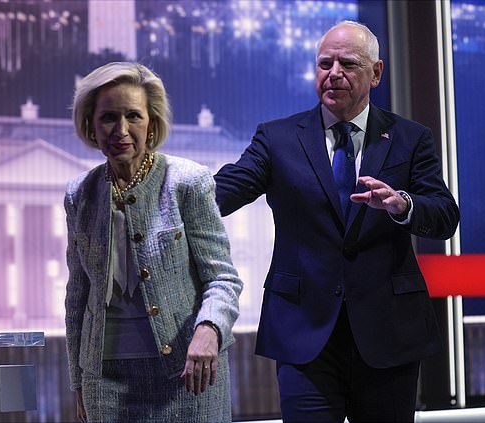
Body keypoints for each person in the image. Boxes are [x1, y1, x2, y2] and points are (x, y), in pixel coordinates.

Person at [214, 21, 460, 422]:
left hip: (388, 333)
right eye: (324, 63)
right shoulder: (277, 139)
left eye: (347, 63)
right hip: (304, 333)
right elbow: (222, 193)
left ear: (376, 73)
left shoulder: (409, 138)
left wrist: (402, 204)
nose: (333, 73)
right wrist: (161, 184)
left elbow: (445, 216)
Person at [64, 62, 242, 423]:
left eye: (134, 116)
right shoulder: (78, 194)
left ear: (152, 123)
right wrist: (79, 382)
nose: (122, 130)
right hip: (106, 383)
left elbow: (223, 279)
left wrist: (209, 329)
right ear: (91, 127)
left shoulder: (187, 182)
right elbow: (77, 296)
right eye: (109, 117)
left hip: (187, 374)